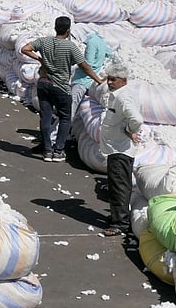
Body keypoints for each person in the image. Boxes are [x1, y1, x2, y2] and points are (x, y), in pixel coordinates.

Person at [20, 16, 104, 163]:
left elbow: (25, 49)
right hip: (61, 87)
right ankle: (58, 151)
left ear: (55, 28)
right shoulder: (70, 47)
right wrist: (98, 80)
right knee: (65, 118)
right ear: (68, 30)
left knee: (45, 117)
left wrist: (40, 59)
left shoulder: (44, 41)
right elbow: (84, 65)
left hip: (44, 84)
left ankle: (47, 151)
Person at [99, 62, 144, 237]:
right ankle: (118, 217)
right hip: (115, 147)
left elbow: (137, 119)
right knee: (117, 184)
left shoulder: (123, 98)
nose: (109, 82)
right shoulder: (119, 94)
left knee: (119, 185)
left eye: (113, 79)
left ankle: (120, 224)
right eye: (108, 79)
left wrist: (130, 131)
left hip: (120, 149)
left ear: (123, 80)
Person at [70, 31, 110, 127]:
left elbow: (87, 64)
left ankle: (54, 136)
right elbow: (110, 54)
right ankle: (66, 134)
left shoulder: (92, 42)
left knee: (70, 108)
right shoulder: (102, 43)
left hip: (82, 80)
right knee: (76, 109)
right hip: (91, 82)